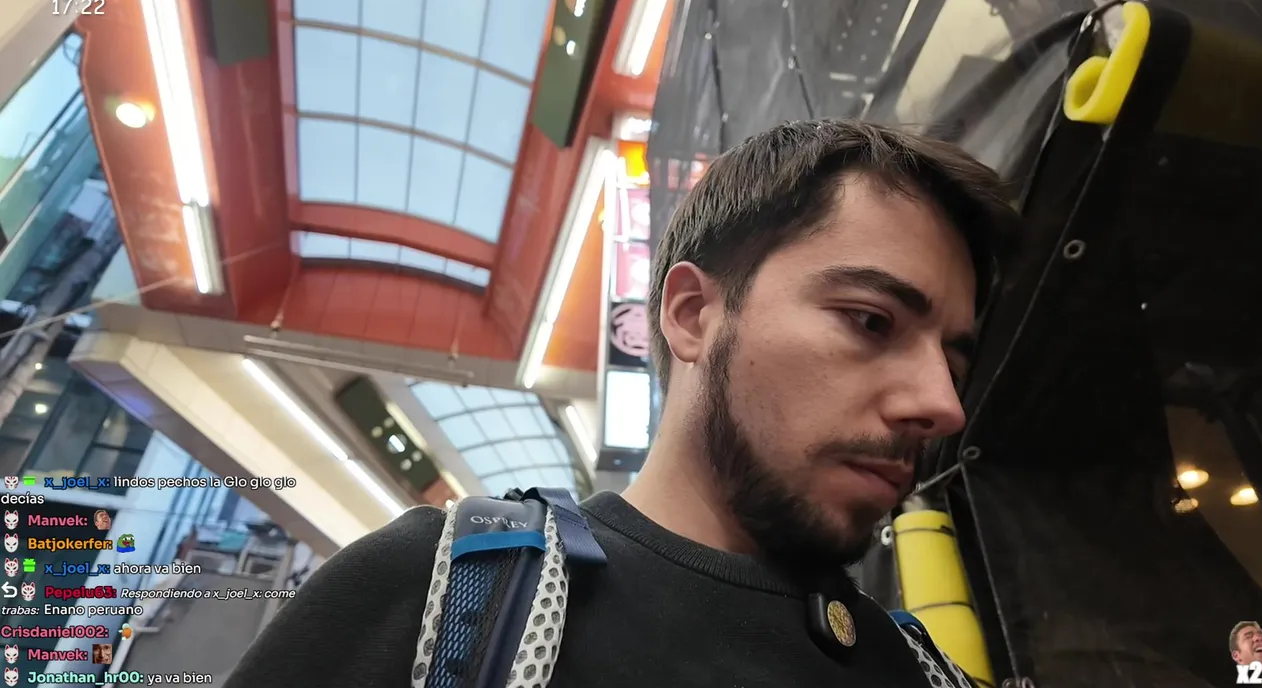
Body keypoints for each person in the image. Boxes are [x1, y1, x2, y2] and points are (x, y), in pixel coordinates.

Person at [223, 119, 1018, 687]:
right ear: (692, 315)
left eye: (954, 360)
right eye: (871, 321)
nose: (942, 406)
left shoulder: (922, 669)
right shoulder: (457, 599)